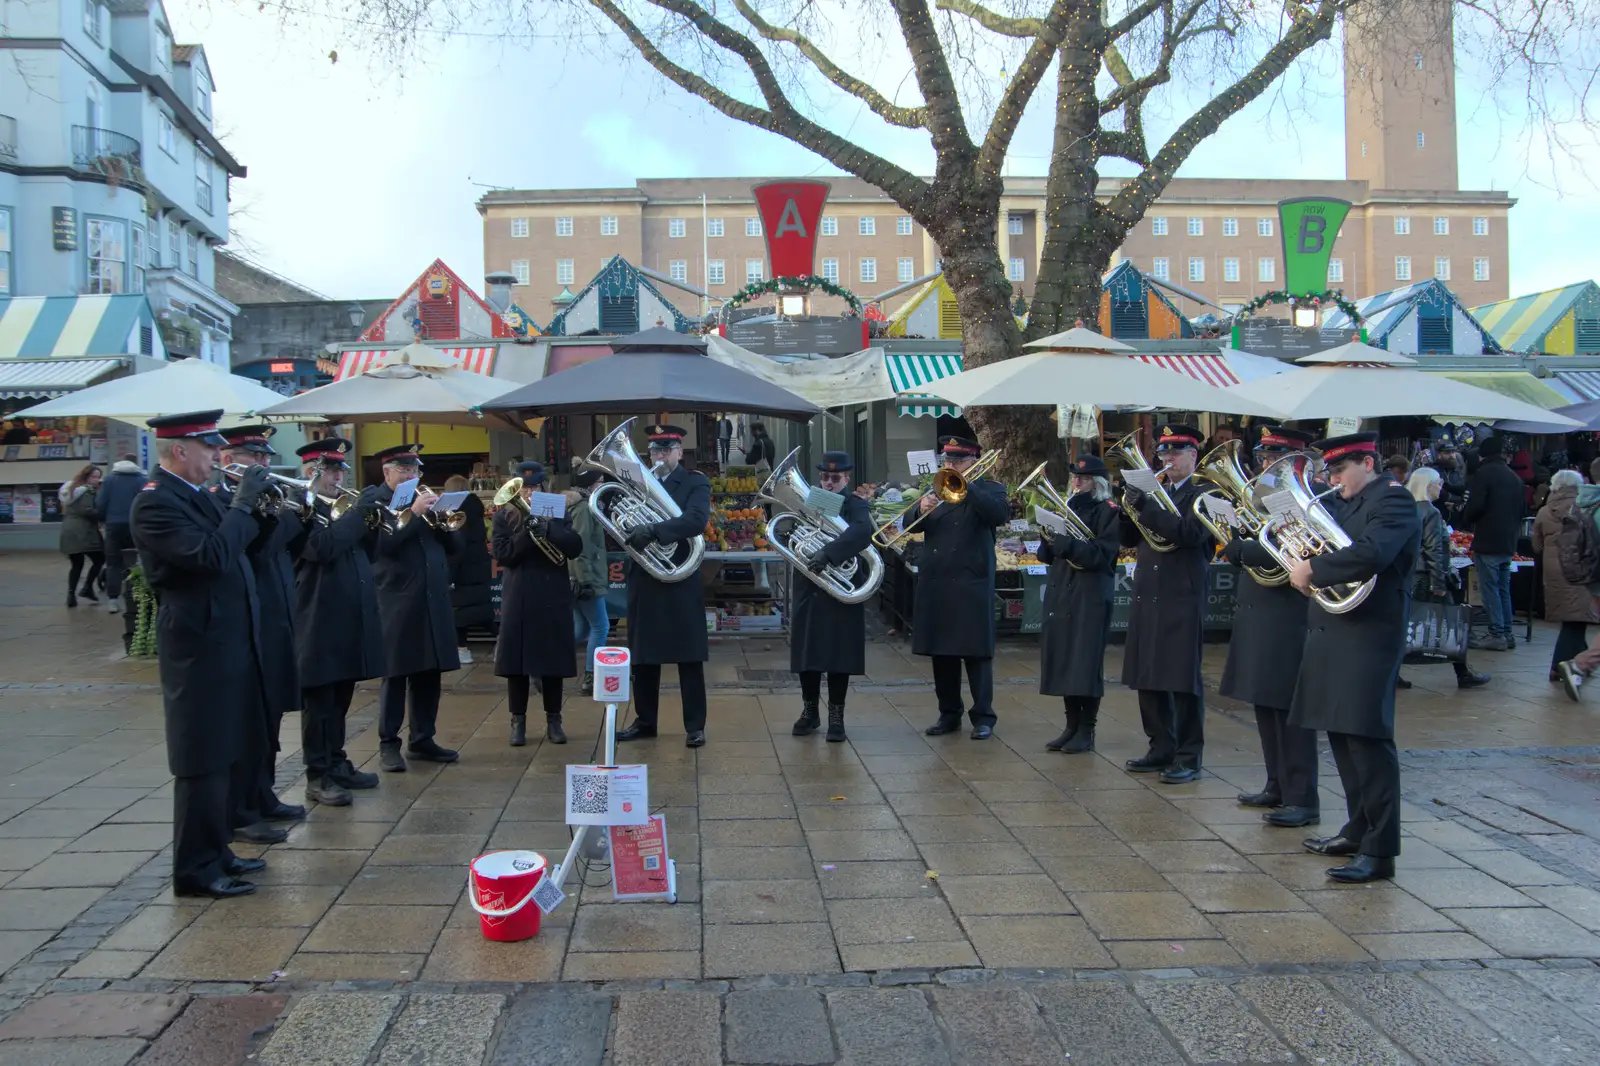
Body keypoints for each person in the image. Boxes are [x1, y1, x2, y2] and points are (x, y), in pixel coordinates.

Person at [130, 410, 271, 899]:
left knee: (227, 753)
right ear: (181, 450)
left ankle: (219, 851)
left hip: (226, 641)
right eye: (209, 449)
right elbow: (209, 557)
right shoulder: (155, 504)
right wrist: (243, 505)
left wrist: (263, 513)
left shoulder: (197, 495)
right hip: (198, 646)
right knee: (202, 759)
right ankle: (195, 868)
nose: (218, 457)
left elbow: (241, 549)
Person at [1291, 432, 1420, 884]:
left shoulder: (1394, 501)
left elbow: (1373, 553)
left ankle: (1380, 852)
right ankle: (1358, 827)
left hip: (1370, 635)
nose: (1333, 479)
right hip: (1337, 631)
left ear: (1368, 462)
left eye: (1340, 470)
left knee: (1368, 742)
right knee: (1343, 738)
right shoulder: (1347, 502)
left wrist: (1314, 569)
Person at [1219, 427, 1321, 826]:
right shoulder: (1265, 500)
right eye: (1262, 457)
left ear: (1294, 461)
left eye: (1271, 458)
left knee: (1289, 709)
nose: (1263, 465)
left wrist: (1243, 548)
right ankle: (1277, 782)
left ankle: (1302, 797)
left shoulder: (1301, 500)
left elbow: (1294, 547)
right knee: (1265, 703)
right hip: (1260, 610)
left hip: (1287, 615)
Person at [215, 425, 307, 844]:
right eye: (255, 457)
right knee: (247, 725)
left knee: (270, 719)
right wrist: (261, 509)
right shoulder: (223, 501)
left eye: (266, 458)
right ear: (227, 457)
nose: (264, 465)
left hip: (277, 612)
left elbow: (282, 549)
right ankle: (243, 806)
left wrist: (289, 512)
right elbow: (252, 551)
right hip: (252, 617)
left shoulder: (255, 500)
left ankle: (264, 792)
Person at [293, 438, 384, 807]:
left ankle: (337, 761)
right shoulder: (302, 507)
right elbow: (323, 548)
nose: (337, 476)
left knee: (341, 696)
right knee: (320, 701)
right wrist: (360, 515)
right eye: (330, 470)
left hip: (347, 613)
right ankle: (318, 774)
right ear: (310, 471)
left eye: (339, 470)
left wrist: (375, 522)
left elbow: (369, 552)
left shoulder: (339, 507)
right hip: (316, 615)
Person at [1118, 424, 1212, 783]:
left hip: (1182, 593)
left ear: (1194, 455)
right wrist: (1127, 508)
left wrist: (1148, 507)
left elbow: (1190, 533)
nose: (1167, 459)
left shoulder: (1204, 493)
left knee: (1182, 676)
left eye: (1176, 452)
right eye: (1163, 453)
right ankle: (1160, 746)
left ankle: (1189, 755)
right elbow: (1127, 538)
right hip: (1149, 588)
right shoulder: (1157, 493)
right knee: (1149, 672)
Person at [616, 425, 713, 747]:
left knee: (689, 656)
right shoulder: (637, 483)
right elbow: (621, 521)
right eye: (654, 450)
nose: (659, 455)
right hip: (645, 576)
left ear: (679, 452)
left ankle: (695, 726)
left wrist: (654, 531)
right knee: (644, 656)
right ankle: (645, 721)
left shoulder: (695, 481)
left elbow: (696, 520)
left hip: (679, 575)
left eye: (666, 449)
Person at [371, 444, 461, 771]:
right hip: (397, 598)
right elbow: (382, 545)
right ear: (387, 472)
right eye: (405, 470)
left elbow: (453, 547)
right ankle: (388, 743)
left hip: (431, 598)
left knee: (429, 672)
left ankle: (423, 739)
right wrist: (416, 516)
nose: (412, 476)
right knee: (396, 672)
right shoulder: (378, 502)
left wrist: (444, 519)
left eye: (415, 470)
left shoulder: (424, 501)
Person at [915, 436, 1009, 740]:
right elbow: (910, 525)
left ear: (973, 462)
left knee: (976, 654)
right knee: (942, 654)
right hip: (938, 584)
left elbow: (999, 514)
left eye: (957, 461)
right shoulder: (934, 491)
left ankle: (984, 716)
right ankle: (948, 714)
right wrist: (919, 509)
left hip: (971, 583)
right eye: (947, 461)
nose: (950, 466)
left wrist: (968, 487)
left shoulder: (990, 489)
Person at [493, 461, 584, 746]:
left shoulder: (559, 511)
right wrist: (527, 531)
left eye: (534, 487)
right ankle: (517, 721)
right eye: (524, 488)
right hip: (519, 594)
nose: (529, 493)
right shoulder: (503, 517)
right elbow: (504, 554)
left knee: (552, 661)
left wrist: (548, 528)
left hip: (551, 593)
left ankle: (554, 720)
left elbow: (574, 546)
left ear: (544, 487)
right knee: (516, 663)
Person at [789, 451, 875, 742]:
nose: (828, 483)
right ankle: (810, 711)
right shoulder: (812, 501)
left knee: (839, 655)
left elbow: (862, 533)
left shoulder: (855, 505)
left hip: (841, 588)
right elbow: (790, 528)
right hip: (810, 586)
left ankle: (836, 716)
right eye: (824, 477)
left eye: (834, 478)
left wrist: (829, 553)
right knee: (808, 654)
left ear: (846, 479)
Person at [1036, 455, 1119, 753]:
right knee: (1064, 659)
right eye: (1074, 478)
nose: (1076, 482)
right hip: (1063, 591)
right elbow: (1047, 555)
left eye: (1082, 479)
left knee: (1085, 662)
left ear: (1097, 483)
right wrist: (1046, 539)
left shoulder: (1108, 511)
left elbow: (1103, 556)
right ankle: (1070, 726)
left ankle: (1087, 730)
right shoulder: (1068, 507)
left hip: (1089, 594)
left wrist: (1067, 544)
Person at [1398, 467, 1489, 690]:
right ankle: (1463, 672)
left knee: (1406, 623)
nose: (1441, 487)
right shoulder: (1430, 512)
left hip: (1411, 574)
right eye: (1438, 483)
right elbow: (1434, 549)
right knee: (1451, 625)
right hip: (1428, 576)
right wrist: (1438, 583)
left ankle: (1392, 672)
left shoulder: (1406, 509)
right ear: (1428, 485)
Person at [1461, 434, 1526, 651]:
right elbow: (1522, 511)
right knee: (1503, 588)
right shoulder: (1515, 478)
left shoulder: (1484, 474)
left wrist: (1467, 516)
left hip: (1488, 540)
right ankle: (1507, 633)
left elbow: (1475, 507)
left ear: (1483, 455)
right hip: (1508, 541)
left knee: (1490, 589)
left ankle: (1496, 633)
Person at [1533, 468, 1597, 682]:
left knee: (1572, 619)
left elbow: (1536, 545)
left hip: (1554, 571)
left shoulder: (1543, 511)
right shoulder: (1582, 507)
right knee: (1576, 620)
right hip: (1578, 569)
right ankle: (1565, 666)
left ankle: (1580, 663)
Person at [567, 469, 610, 690]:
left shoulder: (583, 506)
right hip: (586, 578)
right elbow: (581, 547)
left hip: (578, 577)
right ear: (589, 484)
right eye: (600, 481)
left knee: (581, 629)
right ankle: (591, 676)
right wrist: (585, 581)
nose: (602, 485)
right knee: (600, 627)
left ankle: (547, 660)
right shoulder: (584, 509)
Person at [444, 474, 492, 664]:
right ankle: (503, 642)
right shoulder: (476, 508)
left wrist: (450, 574)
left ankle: (462, 650)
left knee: (458, 612)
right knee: (482, 611)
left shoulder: (457, 513)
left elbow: (457, 546)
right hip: (479, 567)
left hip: (463, 570)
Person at [97, 453, 145, 615]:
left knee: (113, 563)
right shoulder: (141, 479)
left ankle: (113, 600)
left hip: (113, 526)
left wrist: (103, 519)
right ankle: (136, 597)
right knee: (135, 562)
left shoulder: (109, 479)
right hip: (134, 526)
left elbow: (101, 503)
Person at [59, 465, 105, 608]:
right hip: (84, 531)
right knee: (100, 559)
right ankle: (87, 588)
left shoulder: (71, 490)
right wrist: (103, 515)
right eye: (93, 477)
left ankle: (71, 595)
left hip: (68, 530)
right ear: (86, 477)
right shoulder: (87, 491)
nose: (96, 480)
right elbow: (87, 510)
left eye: (98, 477)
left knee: (76, 564)